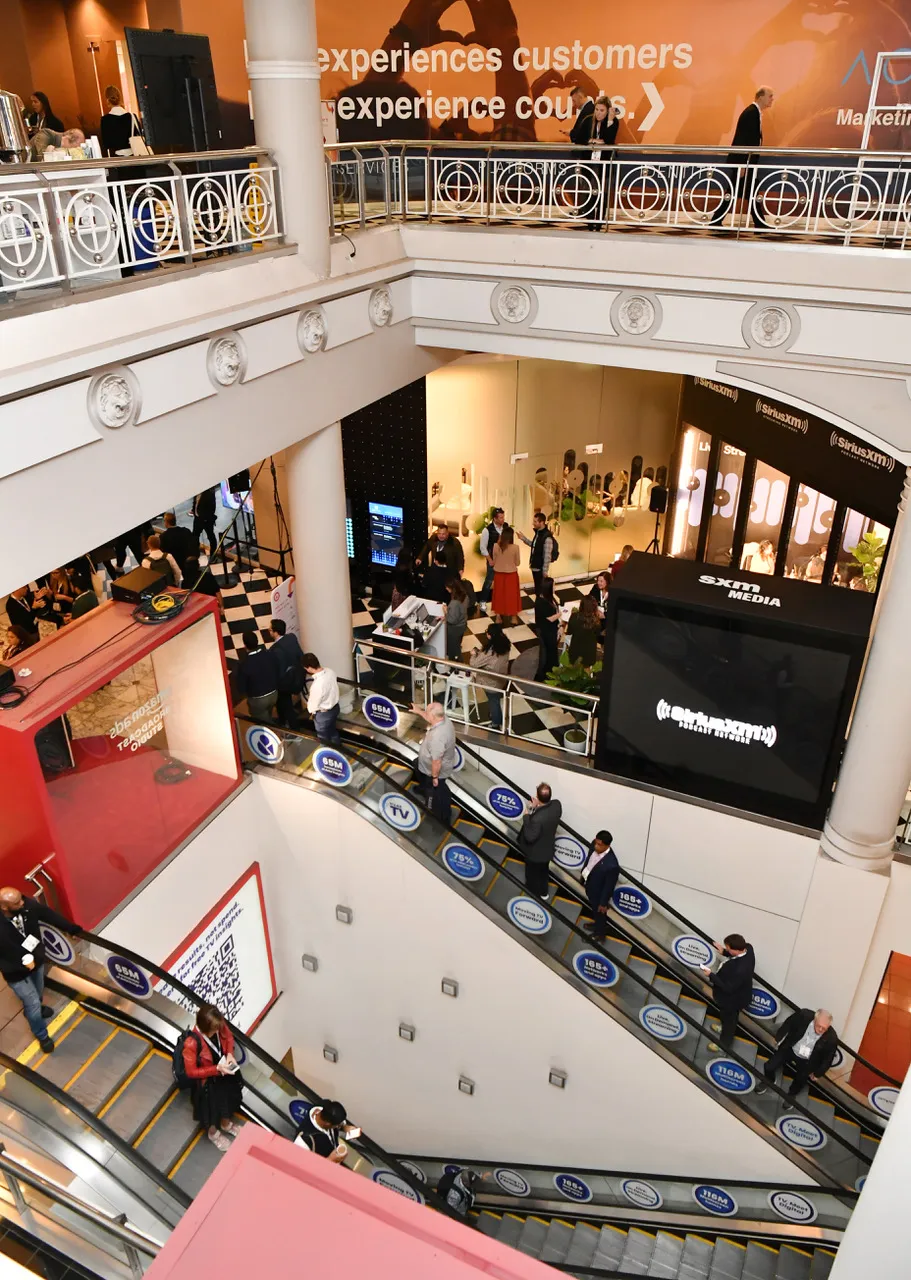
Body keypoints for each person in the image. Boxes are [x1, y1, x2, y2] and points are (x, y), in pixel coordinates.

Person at [0, 886, 79, 1054]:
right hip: (15, 971)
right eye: (17, 902)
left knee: (38, 991)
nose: (23, 902)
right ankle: (42, 1035)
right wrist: (20, 963)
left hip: (36, 960)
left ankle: (36, 1010)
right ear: (4, 907)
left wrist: (71, 928)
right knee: (32, 1002)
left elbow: (49, 915)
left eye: (21, 898)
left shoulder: (27, 906)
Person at [182, 1004, 244, 1152]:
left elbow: (228, 1037)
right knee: (211, 1111)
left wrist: (229, 1053)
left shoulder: (218, 1023)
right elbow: (191, 1072)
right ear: (205, 1027)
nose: (218, 1031)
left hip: (224, 1071)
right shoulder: (191, 1043)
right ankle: (213, 1134)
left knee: (228, 1100)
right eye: (214, 1029)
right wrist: (215, 1069)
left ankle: (226, 1124)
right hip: (209, 1080)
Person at [712, 87, 775, 229]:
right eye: (770, 96)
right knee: (745, 192)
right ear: (760, 97)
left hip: (746, 163)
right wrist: (742, 165)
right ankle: (759, 223)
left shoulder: (754, 113)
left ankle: (718, 220)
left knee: (744, 192)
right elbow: (742, 141)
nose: (772, 99)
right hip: (743, 163)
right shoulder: (751, 113)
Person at [758, 1008, 838, 1103]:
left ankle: (791, 1095)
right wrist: (778, 1036)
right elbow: (789, 1022)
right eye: (818, 1026)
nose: (820, 1030)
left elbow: (828, 1058)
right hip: (791, 1048)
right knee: (769, 1066)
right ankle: (769, 1080)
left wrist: (818, 1073)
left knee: (800, 1081)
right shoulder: (803, 1016)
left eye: (824, 1028)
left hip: (808, 1060)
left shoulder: (832, 1038)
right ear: (814, 1019)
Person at [700, 934, 755, 1051]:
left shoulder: (740, 969)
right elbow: (736, 955)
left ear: (735, 950)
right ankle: (724, 1027)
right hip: (739, 994)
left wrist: (711, 975)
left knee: (730, 1021)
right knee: (728, 1018)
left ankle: (723, 1044)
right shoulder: (748, 949)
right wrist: (725, 952)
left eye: (728, 948)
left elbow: (728, 988)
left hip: (732, 1000)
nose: (727, 949)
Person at [411, 701, 457, 826]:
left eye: (427, 712)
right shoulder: (444, 719)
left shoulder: (438, 737)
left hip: (436, 770)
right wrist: (419, 711)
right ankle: (423, 789)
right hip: (425, 765)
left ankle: (444, 818)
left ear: (433, 716)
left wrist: (435, 777)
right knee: (417, 766)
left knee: (439, 790)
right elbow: (430, 717)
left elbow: (437, 761)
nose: (426, 714)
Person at [517, 783, 563, 902]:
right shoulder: (557, 805)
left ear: (538, 796)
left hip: (535, 854)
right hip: (547, 850)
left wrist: (527, 816)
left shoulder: (537, 819)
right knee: (543, 872)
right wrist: (536, 806)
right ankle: (544, 893)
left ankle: (534, 897)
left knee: (532, 876)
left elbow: (529, 837)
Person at [581, 831, 621, 940]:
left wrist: (603, 903)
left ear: (607, 845)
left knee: (600, 913)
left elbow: (609, 886)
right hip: (589, 885)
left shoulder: (612, 865)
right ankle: (597, 925)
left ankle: (600, 933)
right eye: (596, 843)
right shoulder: (594, 843)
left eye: (599, 845)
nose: (596, 846)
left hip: (598, 893)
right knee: (594, 910)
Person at [469, 625, 510, 730]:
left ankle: (496, 722)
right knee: (495, 699)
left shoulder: (491, 651)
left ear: (490, 635)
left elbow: (474, 664)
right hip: (501, 678)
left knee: (493, 701)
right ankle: (496, 715)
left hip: (491, 682)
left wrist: (474, 654)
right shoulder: (505, 643)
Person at [294, 1099, 360, 1162]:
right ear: (327, 1123)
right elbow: (300, 1166)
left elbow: (338, 1123)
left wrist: (345, 1127)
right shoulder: (303, 1140)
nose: (338, 1126)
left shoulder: (324, 1107)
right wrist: (330, 1160)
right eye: (336, 1125)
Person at [235, 631, 280, 722]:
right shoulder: (269, 654)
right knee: (268, 712)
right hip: (274, 693)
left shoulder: (244, 664)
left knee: (263, 722)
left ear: (245, 645)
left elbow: (241, 688)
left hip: (258, 700)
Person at [269, 619, 304, 729]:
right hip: (298, 675)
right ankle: (282, 720)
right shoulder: (291, 637)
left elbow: (279, 671)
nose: (269, 631)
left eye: (270, 630)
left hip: (286, 682)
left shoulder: (274, 650)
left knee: (286, 705)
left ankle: (293, 728)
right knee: (283, 703)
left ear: (275, 632)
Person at [303, 652, 341, 745]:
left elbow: (313, 706)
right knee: (333, 732)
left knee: (323, 739)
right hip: (335, 708)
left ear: (309, 668)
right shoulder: (330, 671)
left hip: (323, 715)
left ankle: (328, 756)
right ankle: (339, 750)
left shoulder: (317, 685)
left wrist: (311, 712)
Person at [517, 513, 556, 595]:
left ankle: (541, 604)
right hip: (535, 566)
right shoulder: (539, 533)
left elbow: (547, 556)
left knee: (540, 590)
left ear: (541, 522)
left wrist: (545, 571)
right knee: (538, 588)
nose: (533, 523)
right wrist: (523, 538)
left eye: (535, 521)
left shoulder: (547, 537)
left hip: (540, 568)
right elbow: (535, 545)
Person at [99, 85, 142, 158]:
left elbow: (106, 144)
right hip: (135, 159)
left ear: (107, 99)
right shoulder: (132, 116)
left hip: (117, 161)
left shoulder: (105, 120)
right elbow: (139, 136)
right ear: (120, 98)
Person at [491, 525, 522, 623]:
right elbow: (517, 563)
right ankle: (513, 617)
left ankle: (498, 616)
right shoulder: (515, 547)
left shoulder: (495, 546)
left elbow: (494, 561)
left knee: (499, 595)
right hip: (511, 575)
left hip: (498, 574)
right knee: (512, 595)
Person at [478, 508, 506, 611]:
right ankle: (482, 601)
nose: (503, 519)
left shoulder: (506, 527)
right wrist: (489, 560)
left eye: (503, 517)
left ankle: (501, 601)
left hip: (504, 559)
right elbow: (483, 547)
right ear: (494, 518)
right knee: (489, 581)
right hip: (492, 559)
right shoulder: (487, 530)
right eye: (500, 517)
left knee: (503, 581)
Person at [534, 577, 560, 681]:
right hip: (546, 631)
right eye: (554, 585)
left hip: (550, 629)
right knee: (547, 652)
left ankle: (551, 671)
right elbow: (549, 618)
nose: (555, 587)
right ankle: (544, 674)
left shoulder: (548, 598)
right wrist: (561, 614)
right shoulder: (542, 602)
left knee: (551, 651)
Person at [566, 595, 600, 668]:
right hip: (589, 656)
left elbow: (569, 632)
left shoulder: (574, 616)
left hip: (575, 654)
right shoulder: (596, 621)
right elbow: (598, 636)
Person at [445, 578, 469, 660]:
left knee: (453, 650)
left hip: (455, 629)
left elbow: (452, 620)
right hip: (463, 624)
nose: (446, 589)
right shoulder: (465, 596)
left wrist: (446, 612)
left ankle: (455, 664)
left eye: (447, 587)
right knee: (457, 643)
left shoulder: (455, 602)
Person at [192, 488, 219, 555]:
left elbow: (212, 508)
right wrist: (193, 511)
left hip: (206, 520)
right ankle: (195, 552)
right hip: (197, 518)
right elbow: (195, 503)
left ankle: (213, 554)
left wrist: (205, 519)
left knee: (211, 537)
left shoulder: (209, 494)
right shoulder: (196, 493)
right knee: (195, 536)